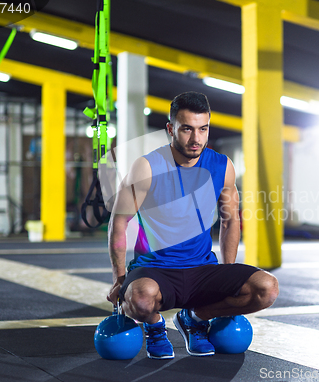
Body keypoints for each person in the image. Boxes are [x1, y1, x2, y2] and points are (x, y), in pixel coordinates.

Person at [106, 91, 279, 359]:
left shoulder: (222, 166)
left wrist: (227, 268)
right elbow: (119, 223)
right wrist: (119, 279)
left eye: (203, 129)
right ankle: (154, 326)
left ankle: (195, 318)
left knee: (267, 288)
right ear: (170, 129)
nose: (196, 138)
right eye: (186, 129)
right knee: (139, 299)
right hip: (156, 269)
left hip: (202, 268)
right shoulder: (147, 167)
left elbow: (231, 219)